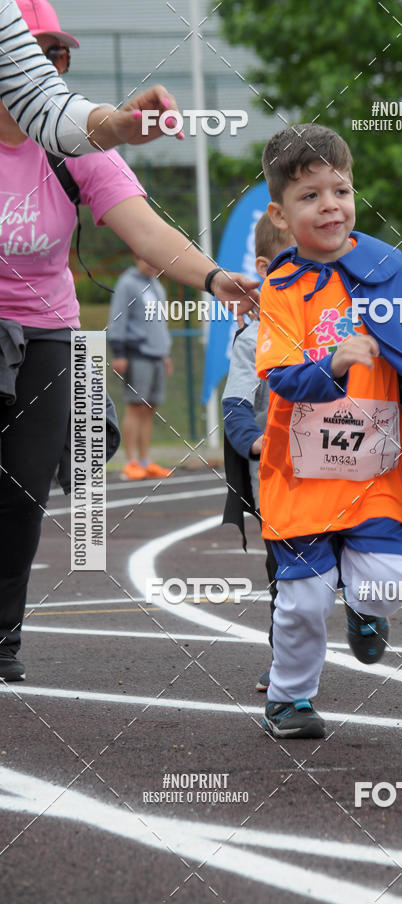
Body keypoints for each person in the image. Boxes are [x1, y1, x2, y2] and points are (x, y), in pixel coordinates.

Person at [0, 0, 258, 684]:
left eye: (60, 56)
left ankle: (1, 640)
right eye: (37, 54)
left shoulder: (67, 140)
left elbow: (145, 230)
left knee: (24, 489)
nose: (52, 68)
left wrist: (214, 277)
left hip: (44, 327)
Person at [255, 124, 402, 739]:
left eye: (341, 189)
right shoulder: (279, 292)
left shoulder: (386, 270)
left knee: (388, 580)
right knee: (305, 601)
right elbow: (280, 375)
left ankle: (366, 613)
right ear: (281, 215)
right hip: (301, 470)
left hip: (379, 466)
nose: (330, 204)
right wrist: (332, 364)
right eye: (310, 196)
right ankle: (289, 701)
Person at [221, 214, 293, 692]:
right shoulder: (253, 338)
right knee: (285, 575)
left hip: (343, 470)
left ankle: (365, 611)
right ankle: (285, 664)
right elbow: (235, 405)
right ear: (266, 269)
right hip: (279, 476)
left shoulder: (343, 321)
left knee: (360, 551)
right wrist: (255, 441)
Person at [1, 0, 184, 154]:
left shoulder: (80, 151)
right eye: (39, 58)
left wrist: (115, 125)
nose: (47, 70)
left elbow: (46, 107)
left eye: (58, 57)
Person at [108, 257, 174, 480]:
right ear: (136, 257)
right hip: (137, 354)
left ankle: (146, 461)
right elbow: (118, 317)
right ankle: (130, 462)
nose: (152, 264)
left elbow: (160, 323)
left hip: (157, 355)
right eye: (146, 259)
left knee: (150, 408)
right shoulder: (127, 283)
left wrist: (165, 353)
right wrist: (119, 353)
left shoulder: (156, 285)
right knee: (136, 406)